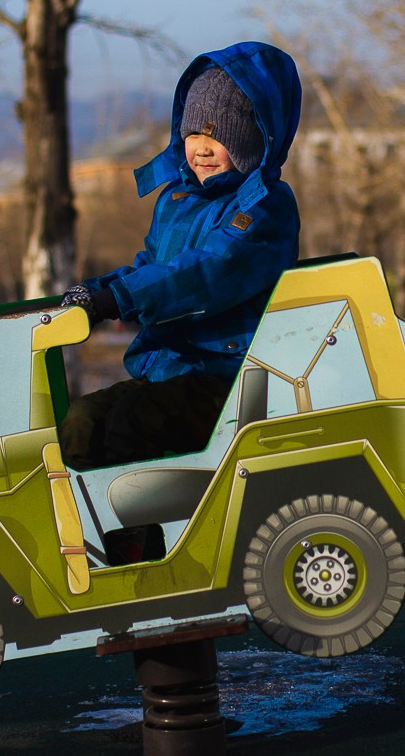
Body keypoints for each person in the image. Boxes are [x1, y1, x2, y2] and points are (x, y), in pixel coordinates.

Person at [59, 41, 302, 470]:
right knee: (82, 421)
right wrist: (97, 293)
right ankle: (81, 529)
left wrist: (122, 299)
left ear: (253, 137)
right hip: (171, 369)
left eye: (218, 134)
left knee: (129, 426)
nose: (201, 148)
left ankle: (138, 537)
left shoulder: (264, 209)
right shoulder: (178, 200)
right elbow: (152, 266)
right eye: (193, 133)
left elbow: (208, 271)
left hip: (232, 377)